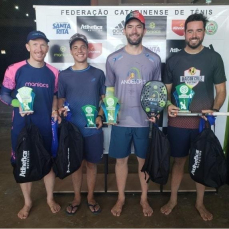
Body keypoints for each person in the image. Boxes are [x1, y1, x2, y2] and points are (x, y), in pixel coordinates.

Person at [161, 13, 226, 221]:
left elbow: (221, 91)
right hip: (178, 122)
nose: (194, 35)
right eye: (190, 31)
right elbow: (166, 92)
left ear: (204, 32)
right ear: (184, 32)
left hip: (202, 122)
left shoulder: (214, 58)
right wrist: (169, 105)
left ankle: (200, 203)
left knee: (202, 162)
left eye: (199, 30)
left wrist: (214, 109)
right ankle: (173, 199)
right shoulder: (174, 60)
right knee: (178, 162)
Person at [105, 10, 161, 217]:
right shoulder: (113, 58)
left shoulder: (154, 59)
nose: (134, 30)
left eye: (138, 26)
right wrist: (110, 110)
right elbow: (109, 89)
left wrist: (155, 111)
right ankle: (120, 197)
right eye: (130, 26)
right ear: (125, 30)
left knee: (142, 162)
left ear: (144, 30)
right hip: (120, 120)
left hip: (144, 121)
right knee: (120, 161)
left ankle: (144, 198)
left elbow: (157, 89)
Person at [0, 31, 61, 219]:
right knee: (22, 164)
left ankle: (50, 198)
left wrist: (54, 110)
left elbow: (54, 95)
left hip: (45, 127)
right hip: (21, 127)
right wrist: (18, 105)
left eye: (43, 45)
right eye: (35, 44)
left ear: (47, 48)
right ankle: (27, 202)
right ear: (28, 47)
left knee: (47, 163)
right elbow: (4, 95)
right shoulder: (14, 69)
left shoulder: (53, 72)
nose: (39, 49)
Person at [58, 33, 105, 215]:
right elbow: (60, 99)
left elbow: (104, 100)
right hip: (72, 130)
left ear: (88, 50)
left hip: (92, 129)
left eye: (83, 47)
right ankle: (77, 197)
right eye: (75, 47)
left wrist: (100, 116)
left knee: (92, 165)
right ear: (71, 51)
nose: (80, 50)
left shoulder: (98, 74)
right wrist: (60, 110)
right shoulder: (64, 75)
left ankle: (91, 197)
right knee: (76, 165)